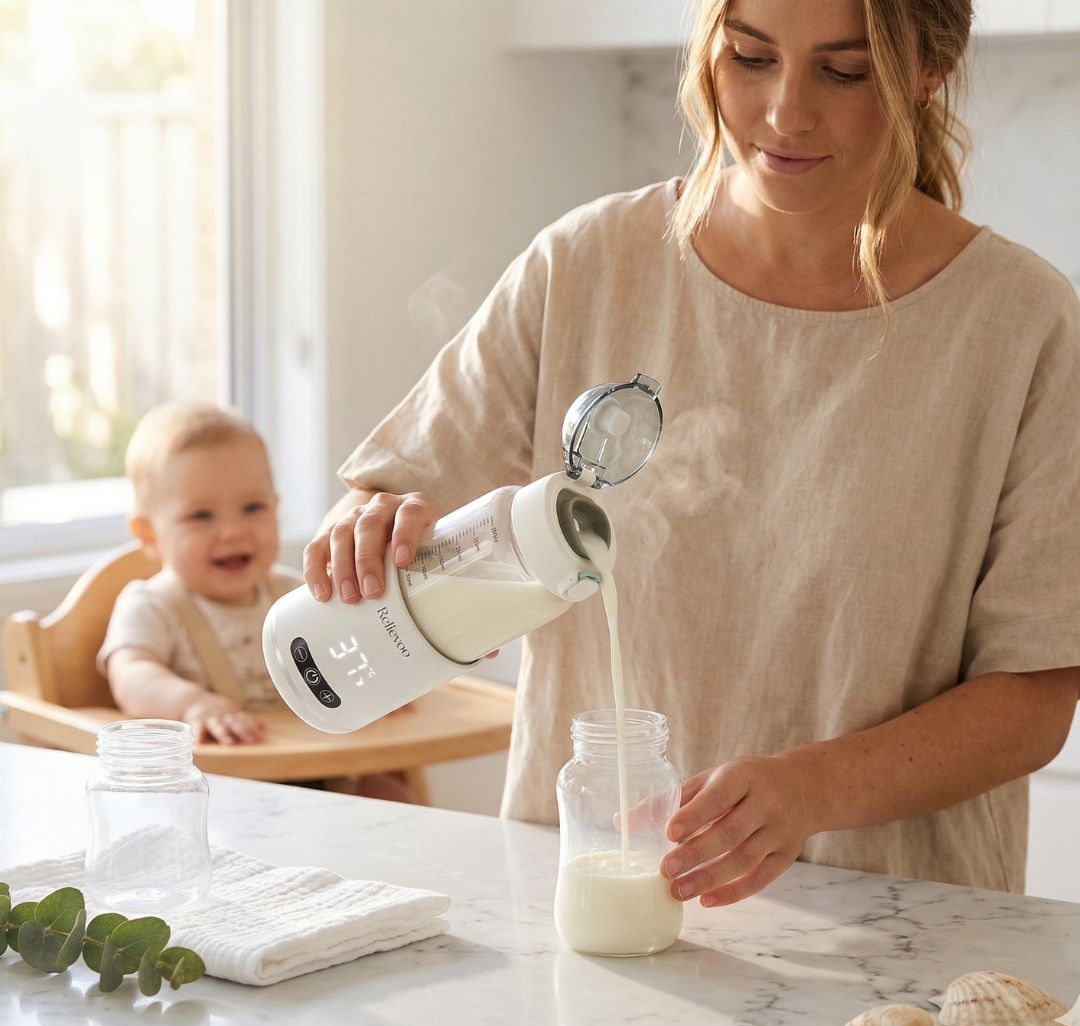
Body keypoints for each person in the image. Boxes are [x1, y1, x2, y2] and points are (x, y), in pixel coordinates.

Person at [305, 0, 1080, 901]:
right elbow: (393, 490)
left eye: (845, 71)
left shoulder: (1021, 323)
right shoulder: (587, 264)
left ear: (925, 74)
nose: (786, 113)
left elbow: (1034, 694)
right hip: (593, 894)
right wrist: (371, 532)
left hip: (899, 932)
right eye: (751, 59)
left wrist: (811, 790)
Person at [99, 402, 419, 802]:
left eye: (253, 508)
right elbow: (129, 676)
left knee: (390, 793)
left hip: (317, 769)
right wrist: (192, 706)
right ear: (148, 534)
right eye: (201, 516)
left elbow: (347, 646)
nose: (233, 531)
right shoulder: (150, 604)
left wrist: (373, 686)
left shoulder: (295, 595)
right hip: (213, 785)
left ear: (276, 507)